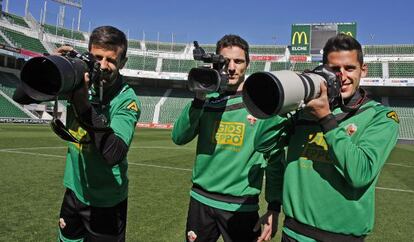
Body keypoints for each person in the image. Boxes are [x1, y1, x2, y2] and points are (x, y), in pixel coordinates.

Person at [254, 33, 400, 241]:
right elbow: (262, 144)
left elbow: (360, 174)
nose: (342, 77)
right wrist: (288, 101)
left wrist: (326, 119)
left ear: (363, 70)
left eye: (349, 68)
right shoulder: (303, 111)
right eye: (333, 70)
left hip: (341, 237)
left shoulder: (380, 116)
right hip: (294, 232)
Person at [172, 34, 284, 242]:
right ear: (216, 62)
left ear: (248, 64)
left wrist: (274, 207)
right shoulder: (206, 98)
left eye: (238, 61)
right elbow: (179, 137)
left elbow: (275, 160)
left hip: (241, 206)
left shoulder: (262, 103)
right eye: (225, 61)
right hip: (201, 201)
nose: (231, 67)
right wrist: (198, 99)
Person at [56, 26, 141, 241]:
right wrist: (53, 66)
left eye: (111, 60)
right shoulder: (77, 79)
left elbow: (115, 153)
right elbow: (23, 96)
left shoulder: (126, 99)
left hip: (107, 201)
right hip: (75, 191)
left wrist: (83, 106)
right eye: (97, 57)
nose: (103, 66)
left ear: (123, 62)